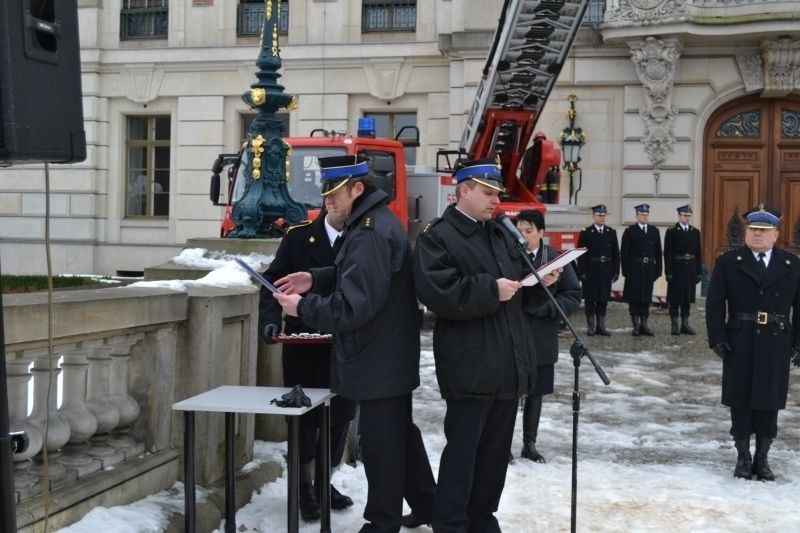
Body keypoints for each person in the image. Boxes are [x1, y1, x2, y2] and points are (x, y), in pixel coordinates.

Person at [272, 155, 436, 532]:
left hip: (378, 358)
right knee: (400, 437)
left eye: (335, 195)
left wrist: (303, 307)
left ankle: (381, 522)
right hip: (386, 356)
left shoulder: (369, 231)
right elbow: (362, 274)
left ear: (358, 189)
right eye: (325, 195)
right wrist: (315, 278)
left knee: (381, 447)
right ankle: (430, 506)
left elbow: (353, 306)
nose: (327, 202)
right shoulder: (371, 223)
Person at [412, 158, 555, 532]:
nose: (496, 201)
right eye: (488, 193)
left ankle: (482, 517)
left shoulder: (500, 233)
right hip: (470, 364)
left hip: (508, 362)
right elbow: (438, 293)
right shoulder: (438, 235)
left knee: (494, 456)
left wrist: (541, 284)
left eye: (497, 194)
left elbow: (520, 294)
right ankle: (451, 521)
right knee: (463, 453)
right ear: (463, 191)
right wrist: (490, 289)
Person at [258, 209, 357, 521]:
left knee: (340, 418)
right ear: (328, 202)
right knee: (303, 420)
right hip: (302, 345)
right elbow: (272, 284)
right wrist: (271, 321)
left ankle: (323, 483)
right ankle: (302, 488)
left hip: (344, 347)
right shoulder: (299, 237)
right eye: (334, 197)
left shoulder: (360, 239)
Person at [705, 204, 800, 481]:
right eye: (752, 230)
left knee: (769, 401)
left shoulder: (791, 264)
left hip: (776, 341)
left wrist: (798, 342)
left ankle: (763, 457)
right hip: (740, 339)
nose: (757, 235)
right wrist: (717, 338)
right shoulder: (728, 261)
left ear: (775, 235)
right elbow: (714, 304)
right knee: (740, 400)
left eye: (763, 231)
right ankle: (743, 457)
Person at [514, 209, 581, 463]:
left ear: (541, 233)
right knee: (509, 391)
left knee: (536, 390)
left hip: (542, 332)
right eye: (519, 230)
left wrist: (550, 309)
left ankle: (529, 443)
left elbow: (573, 294)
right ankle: (501, 444)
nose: (523, 236)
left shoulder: (554, 259)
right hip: (513, 332)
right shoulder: (509, 255)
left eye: (528, 231)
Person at [576, 204, 620, 336]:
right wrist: (582, 272)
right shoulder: (586, 232)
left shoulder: (611, 232)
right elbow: (581, 254)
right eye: (599, 215)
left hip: (605, 270)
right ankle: (591, 326)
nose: (602, 218)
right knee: (590, 300)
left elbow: (615, 254)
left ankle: (601, 325)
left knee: (603, 299)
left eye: (604, 215)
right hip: (591, 270)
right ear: (594, 216)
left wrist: (616, 271)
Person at [620, 203, 662, 336]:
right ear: (637, 216)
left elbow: (658, 253)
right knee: (635, 298)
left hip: (648, 269)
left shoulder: (654, 231)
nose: (644, 217)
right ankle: (636, 325)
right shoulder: (630, 231)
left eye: (646, 214)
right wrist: (626, 271)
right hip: (635, 269)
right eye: (642, 214)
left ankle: (644, 324)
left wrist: (658, 270)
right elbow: (624, 254)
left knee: (646, 298)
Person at [663, 205, 702, 335]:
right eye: (685, 215)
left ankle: (685, 323)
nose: (687, 218)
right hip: (677, 268)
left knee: (687, 298)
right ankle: (674, 324)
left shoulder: (695, 232)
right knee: (675, 298)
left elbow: (698, 253)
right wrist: (668, 272)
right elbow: (668, 254)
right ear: (679, 216)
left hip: (690, 268)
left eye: (689, 215)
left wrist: (698, 272)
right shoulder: (672, 231)